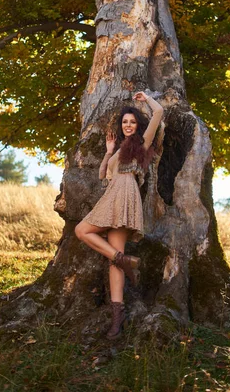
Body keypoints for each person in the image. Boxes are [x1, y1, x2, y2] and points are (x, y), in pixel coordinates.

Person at [75, 91, 164, 339]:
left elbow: (159, 113)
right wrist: (108, 151)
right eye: (125, 122)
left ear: (138, 125)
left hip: (126, 193)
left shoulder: (142, 143)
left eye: (132, 122)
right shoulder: (117, 150)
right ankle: (126, 261)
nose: (128, 125)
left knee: (83, 231)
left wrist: (146, 99)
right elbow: (103, 177)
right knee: (104, 248)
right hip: (112, 194)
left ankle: (117, 316)